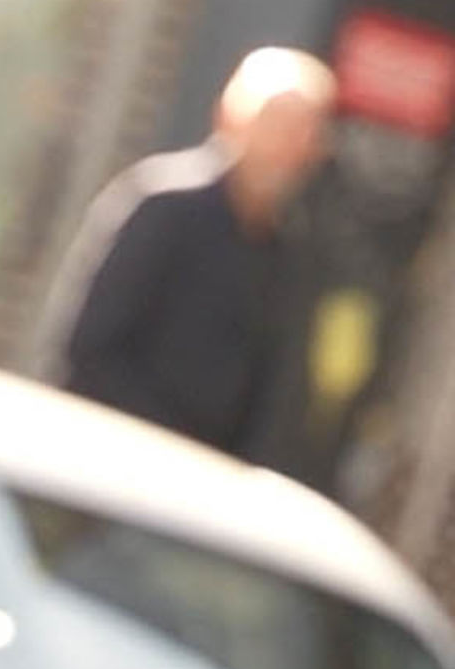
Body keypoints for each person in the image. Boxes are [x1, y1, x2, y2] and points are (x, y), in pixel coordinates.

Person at [43, 44, 336, 465]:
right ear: (232, 119)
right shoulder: (164, 205)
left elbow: (272, 396)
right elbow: (91, 346)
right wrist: (167, 445)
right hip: (106, 460)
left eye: (306, 133)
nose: (291, 148)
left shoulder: (288, 254)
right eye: (279, 125)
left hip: (203, 484)